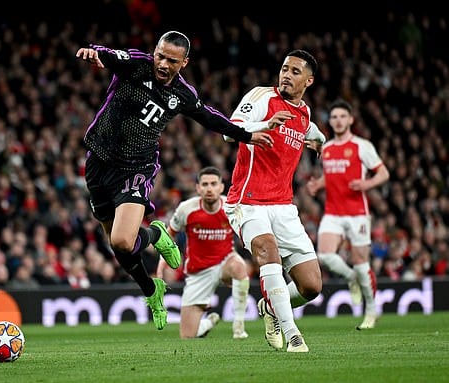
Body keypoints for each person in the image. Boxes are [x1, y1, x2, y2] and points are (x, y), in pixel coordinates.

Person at [76, 31, 273, 331]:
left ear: (184, 62)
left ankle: (155, 235)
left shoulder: (182, 94)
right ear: (154, 51)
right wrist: (94, 52)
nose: (163, 64)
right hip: (99, 162)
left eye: (172, 60)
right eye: (160, 55)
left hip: (135, 168)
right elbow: (110, 53)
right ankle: (151, 291)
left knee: (122, 240)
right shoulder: (137, 65)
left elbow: (209, 117)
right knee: (118, 249)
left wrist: (246, 135)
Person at [223, 49, 326, 352]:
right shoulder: (261, 97)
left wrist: (319, 143)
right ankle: (293, 333)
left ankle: (271, 306)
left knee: (311, 286)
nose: (286, 75)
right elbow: (229, 133)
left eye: (295, 72)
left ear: (308, 80)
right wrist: (263, 125)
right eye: (284, 68)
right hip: (248, 201)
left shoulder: (303, 113)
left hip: (283, 206)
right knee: (268, 251)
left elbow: (314, 132)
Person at [306, 99, 390, 330]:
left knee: (361, 263)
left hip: (357, 213)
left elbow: (383, 173)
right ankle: (351, 277)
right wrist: (318, 185)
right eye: (334, 117)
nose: (338, 120)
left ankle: (371, 311)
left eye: (343, 116)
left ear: (351, 120)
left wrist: (366, 183)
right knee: (324, 255)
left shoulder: (362, 146)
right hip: (333, 211)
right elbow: (333, 174)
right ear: (330, 122)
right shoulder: (328, 148)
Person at [158, 166, 250, 339]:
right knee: (187, 336)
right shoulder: (186, 209)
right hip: (198, 272)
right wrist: (163, 261)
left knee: (239, 266)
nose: (209, 188)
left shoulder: (231, 208)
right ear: (198, 188)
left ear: (221, 187)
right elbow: (169, 235)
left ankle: (238, 326)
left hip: (225, 263)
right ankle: (207, 323)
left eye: (214, 184)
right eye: (205, 184)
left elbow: (248, 233)